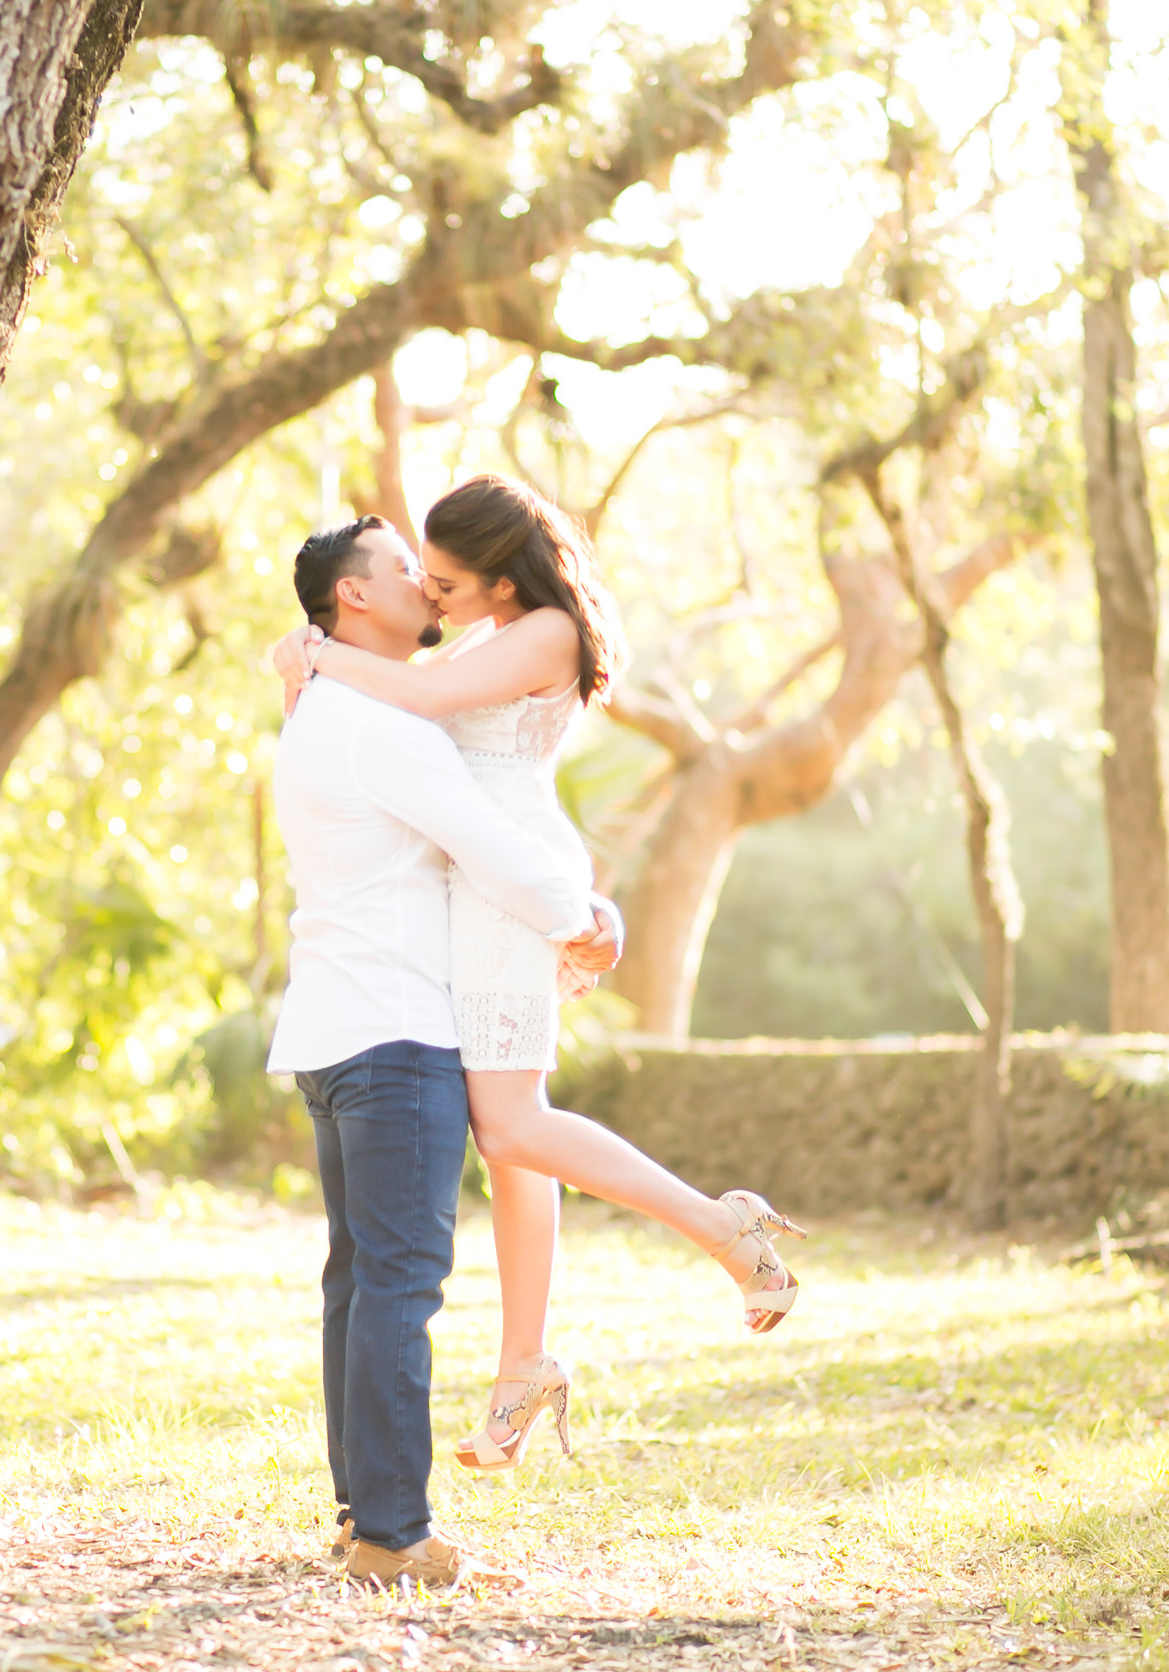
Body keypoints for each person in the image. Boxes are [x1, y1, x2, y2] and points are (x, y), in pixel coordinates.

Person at [273, 473, 805, 1477]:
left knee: (511, 1122)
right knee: (515, 1134)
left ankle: (718, 1225)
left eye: (445, 578)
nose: (433, 596)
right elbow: (411, 711)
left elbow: (421, 699)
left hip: (506, 880)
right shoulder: (488, 632)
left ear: (497, 574)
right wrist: (311, 661)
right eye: (421, 577)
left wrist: (319, 650)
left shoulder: (547, 630)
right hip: (480, 880)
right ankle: (524, 1366)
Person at [264, 512, 624, 1589]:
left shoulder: (328, 704)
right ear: (353, 598)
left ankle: (362, 1513)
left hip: (336, 1030)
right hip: (398, 1033)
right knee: (399, 1285)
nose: (425, 584)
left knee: (361, 1285)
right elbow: (485, 843)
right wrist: (583, 912)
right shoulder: (385, 722)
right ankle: (392, 1533)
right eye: (402, 571)